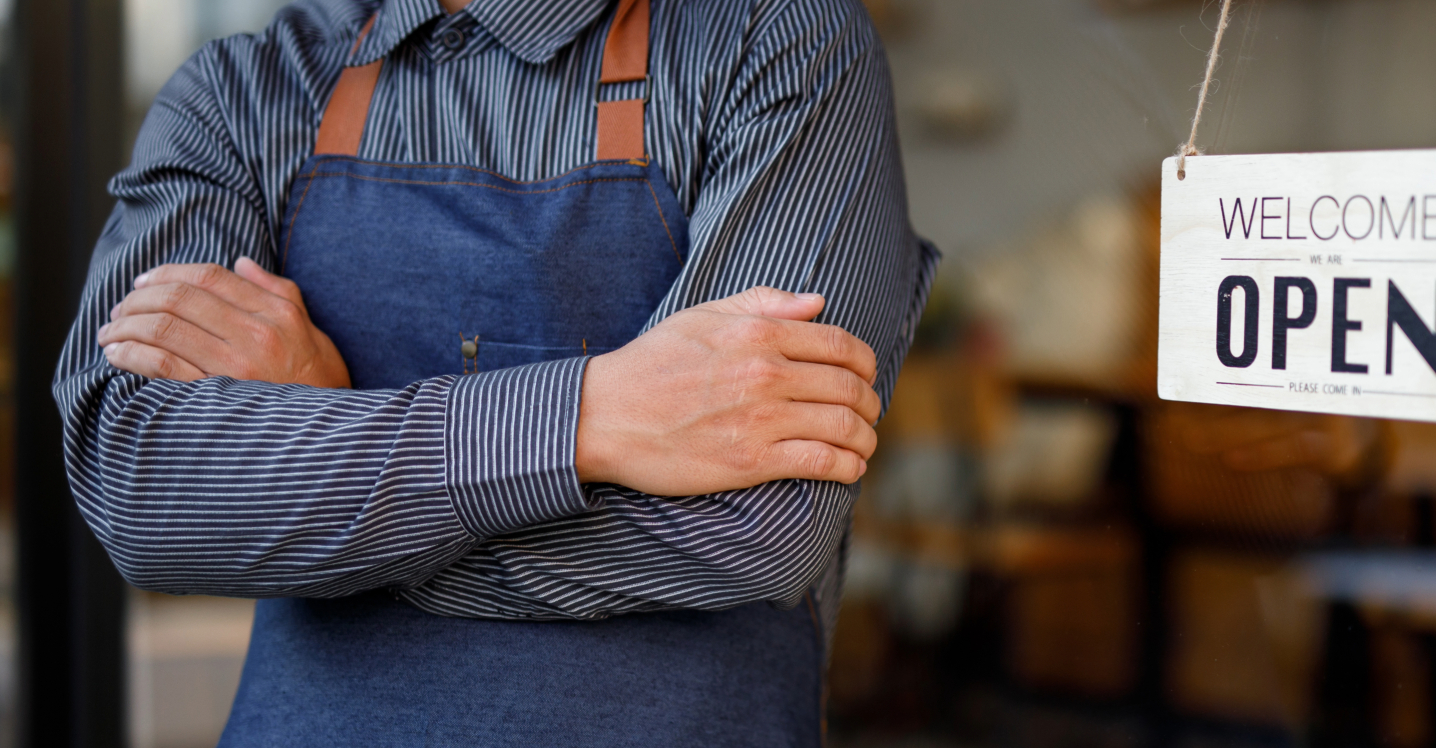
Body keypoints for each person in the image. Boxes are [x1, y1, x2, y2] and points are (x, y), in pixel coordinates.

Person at [54, 0, 937, 743]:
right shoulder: (243, 90)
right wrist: (589, 419)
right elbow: (143, 486)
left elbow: (753, 526)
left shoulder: (780, 44)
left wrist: (326, 441)